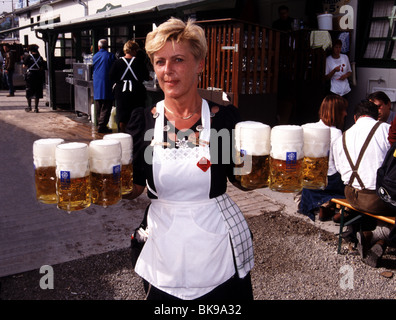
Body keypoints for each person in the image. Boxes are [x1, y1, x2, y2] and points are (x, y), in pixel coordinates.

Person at [125, 18, 254, 300]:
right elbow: (134, 188)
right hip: (164, 247)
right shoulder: (144, 122)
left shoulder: (224, 120)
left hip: (219, 245)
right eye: (160, 62)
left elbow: (240, 179)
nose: (167, 71)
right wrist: (106, 185)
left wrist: (270, 172)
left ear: (200, 64)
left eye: (178, 59)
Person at [333, 99, 396, 267]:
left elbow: (339, 169)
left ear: (355, 118)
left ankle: (374, 238)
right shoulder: (385, 129)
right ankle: (378, 237)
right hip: (375, 200)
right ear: (377, 117)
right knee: (387, 196)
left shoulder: (343, 135)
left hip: (351, 195)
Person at [299, 95, 348, 221]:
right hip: (328, 181)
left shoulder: (306, 127)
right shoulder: (336, 133)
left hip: (308, 179)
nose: (346, 113)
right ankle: (333, 204)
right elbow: (339, 164)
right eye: (343, 110)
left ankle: (325, 205)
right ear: (336, 112)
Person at [109, 40, 150, 132]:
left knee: (122, 115)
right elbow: (146, 77)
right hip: (136, 90)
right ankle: (135, 133)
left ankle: (123, 133)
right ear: (134, 50)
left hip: (121, 91)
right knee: (136, 114)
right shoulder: (139, 62)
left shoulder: (117, 62)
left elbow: (111, 76)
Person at [93, 39, 115, 133]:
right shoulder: (111, 56)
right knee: (106, 105)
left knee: (99, 105)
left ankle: (99, 123)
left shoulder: (95, 56)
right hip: (107, 83)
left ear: (98, 47)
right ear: (107, 46)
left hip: (97, 84)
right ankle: (102, 125)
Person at [23, 45, 46, 113]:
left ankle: (29, 107)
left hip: (30, 75)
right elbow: (42, 67)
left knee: (29, 90)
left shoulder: (28, 57)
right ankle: (36, 108)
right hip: (38, 75)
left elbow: (24, 66)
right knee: (37, 91)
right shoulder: (40, 57)